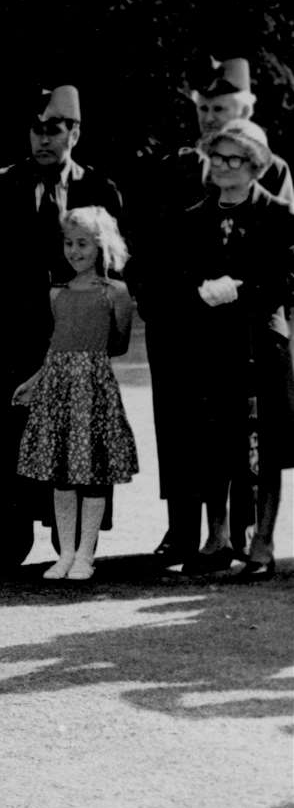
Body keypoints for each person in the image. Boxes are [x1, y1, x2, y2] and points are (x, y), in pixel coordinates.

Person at [129, 57, 294, 567]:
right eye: (202, 108)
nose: (220, 166)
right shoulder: (184, 191)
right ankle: (199, 533)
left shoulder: (277, 192)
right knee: (196, 433)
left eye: (219, 108)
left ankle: (252, 537)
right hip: (194, 331)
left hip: (253, 333)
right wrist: (179, 298)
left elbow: (279, 268)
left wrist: (236, 293)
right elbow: (159, 257)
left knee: (255, 438)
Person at [0, 86, 124, 569]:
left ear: (75, 132)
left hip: (78, 337)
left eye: (54, 129)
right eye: (36, 129)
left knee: (78, 431)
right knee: (12, 427)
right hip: (16, 334)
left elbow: (115, 266)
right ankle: (11, 519)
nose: (43, 139)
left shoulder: (100, 189)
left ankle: (71, 533)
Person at [12, 207, 139, 581]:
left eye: (83, 243)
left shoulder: (115, 292)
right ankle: (65, 553)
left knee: (93, 471)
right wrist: (37, 379)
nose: (75, 251)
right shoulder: (57, 293)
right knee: (61, 472)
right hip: (57, 388)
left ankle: (86, 554)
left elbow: (118, 343)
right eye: (69, 243)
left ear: (101, 246)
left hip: (94, 389)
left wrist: (87, 366)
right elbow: (56, 345)